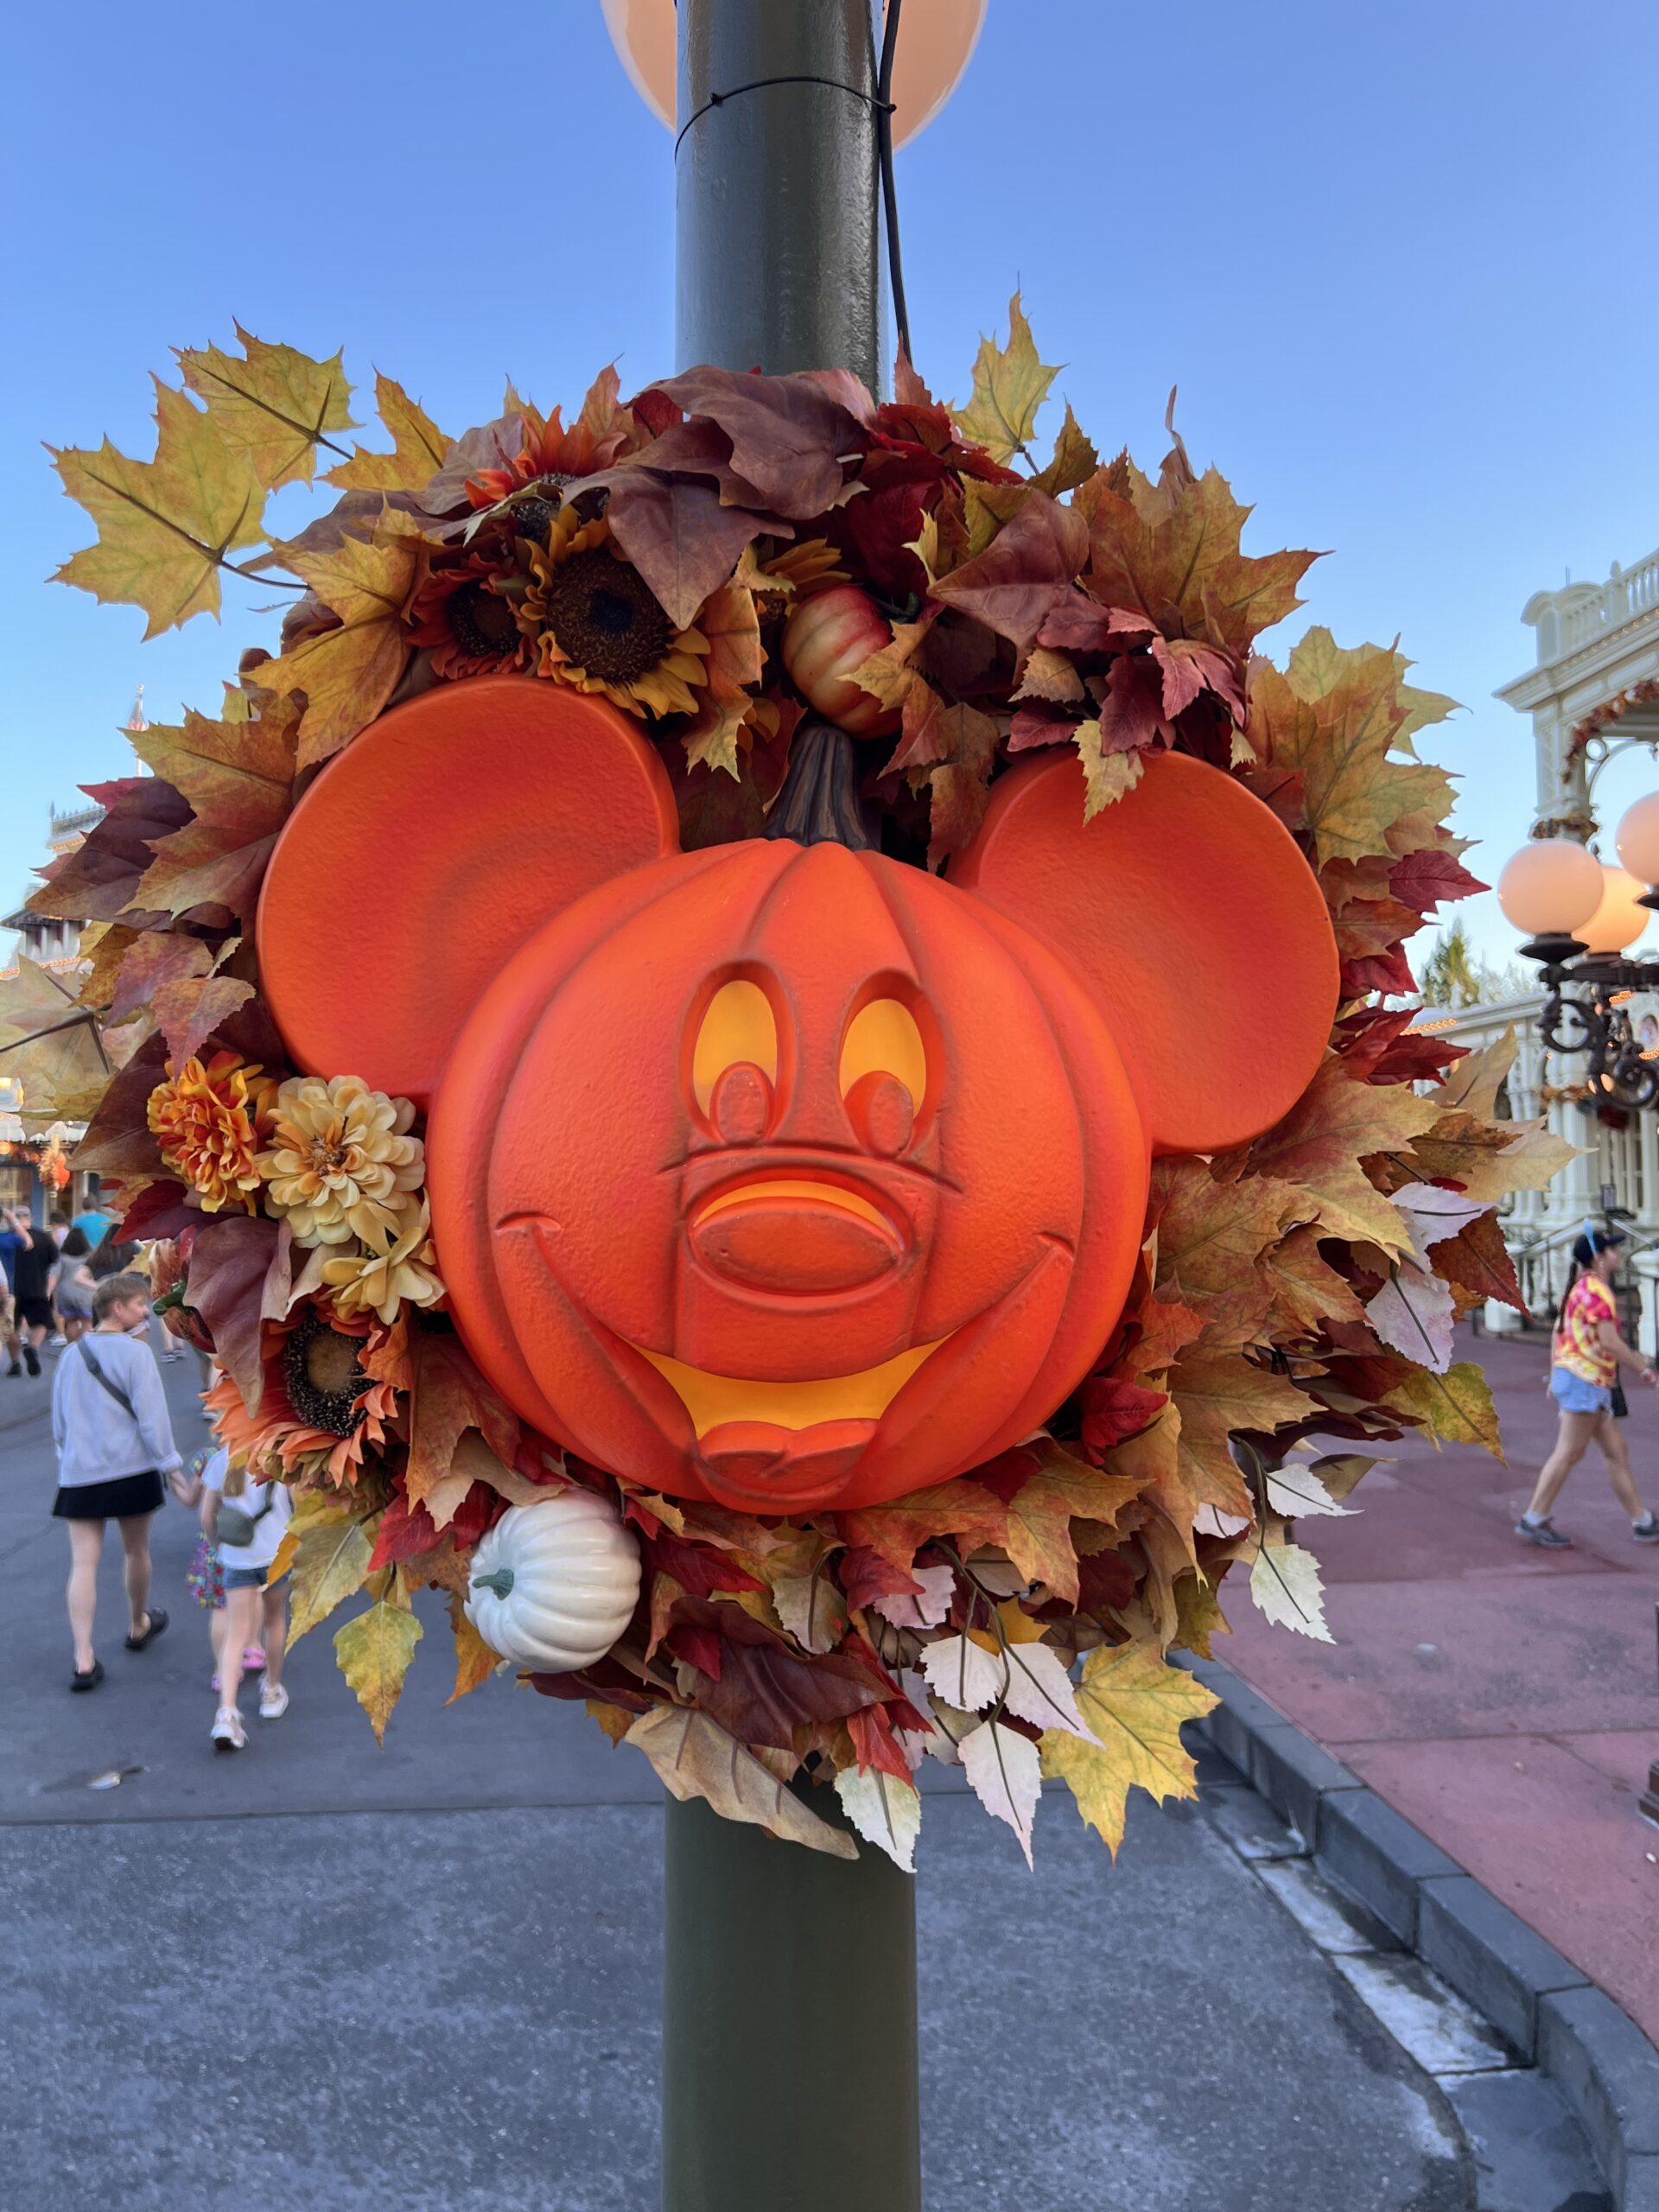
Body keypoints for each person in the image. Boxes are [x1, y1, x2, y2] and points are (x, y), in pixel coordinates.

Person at [49, 1270, 181, 1688]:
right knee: (136, 1551)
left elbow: (60, 1422)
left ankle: (83, 1657)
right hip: (131, 1469)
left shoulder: (71, 1354)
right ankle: (138, 1623)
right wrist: (171, 1465)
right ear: (117, 1307)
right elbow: (152, 1419)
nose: (146, 1311)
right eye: (140, 1304)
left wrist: (69, 1458)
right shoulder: (137, 1354)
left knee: (83, 1564)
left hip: (81, 1472)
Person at [1517, 1225, 1659, 1548]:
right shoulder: (1597, 1291)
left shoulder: (1581, 1287)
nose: (1618, 1254)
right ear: (1599, 1257)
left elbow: (1558, 1332)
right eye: (1613, 1250)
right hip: (1586, 1380)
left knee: (1615, 1451)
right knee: (1569, 1452)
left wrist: (1556, 1374)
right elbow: (1610, 1342)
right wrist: (1644, 1369)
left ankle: (1643, 1521)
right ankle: (1534, 1518)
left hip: (1584, 1380)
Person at [200, 1446, 291, 1751]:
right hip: (276, 1556)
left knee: (235, 1636)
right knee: (274, 1621)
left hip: (238, 1558)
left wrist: (219, 1548)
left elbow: (206, 1516)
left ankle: (226, 1712)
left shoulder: (221, 1459)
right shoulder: (282, 1455)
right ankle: (272, 1691)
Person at [11, 1216, 59, 1376]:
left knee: (12, 1327)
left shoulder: (9, 1238)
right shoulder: (43, 1237)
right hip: (37, 1287)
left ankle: (15, 1363)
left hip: (12, 1289)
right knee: (40, 1323)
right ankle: (33, 1347)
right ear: (29, 1218)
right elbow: (55, 1259)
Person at [53, 1225, 96, 1345]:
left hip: (65, 1293)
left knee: (71, 1322)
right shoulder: (90, 1256)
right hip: (86, 1292)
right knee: (87, 1322)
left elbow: (55, 1274)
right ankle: (85, 1347)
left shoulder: (62, 1256)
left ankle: (72, 1346)